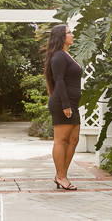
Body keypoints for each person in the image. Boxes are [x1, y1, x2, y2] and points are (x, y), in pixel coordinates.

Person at [44, 23, 82, 190]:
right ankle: (61, 176)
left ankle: (62, 175)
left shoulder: (66, 54)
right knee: (61, 140)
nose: (72, 35)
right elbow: (58, 80)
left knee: (74, 140)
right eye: (69, 33)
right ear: (61, 36)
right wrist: (65, 104)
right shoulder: (59, 56)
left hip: (71, 103)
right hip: (62, 102)